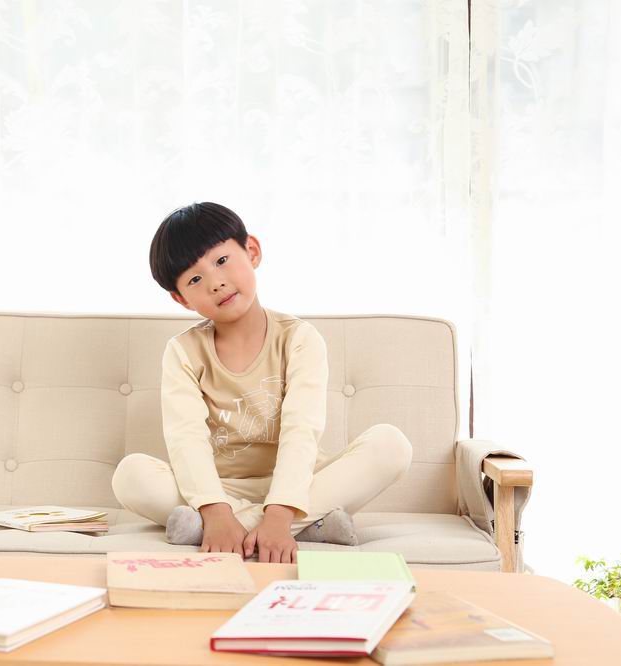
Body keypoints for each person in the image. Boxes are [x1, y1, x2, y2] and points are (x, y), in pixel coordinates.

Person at [111, 202, 413, 564]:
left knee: (391, 445)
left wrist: (279, 515)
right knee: (130, 475)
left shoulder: (299, 338)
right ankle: (303, 525)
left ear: (252, 251)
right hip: (219, 489)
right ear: (181, 299)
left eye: (222, 261)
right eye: (195, 280)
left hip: (300, 482)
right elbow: (185, 438)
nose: (216, 282)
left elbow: (301, 431)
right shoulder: (183, 351)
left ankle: (231, 528)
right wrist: (215, 509)